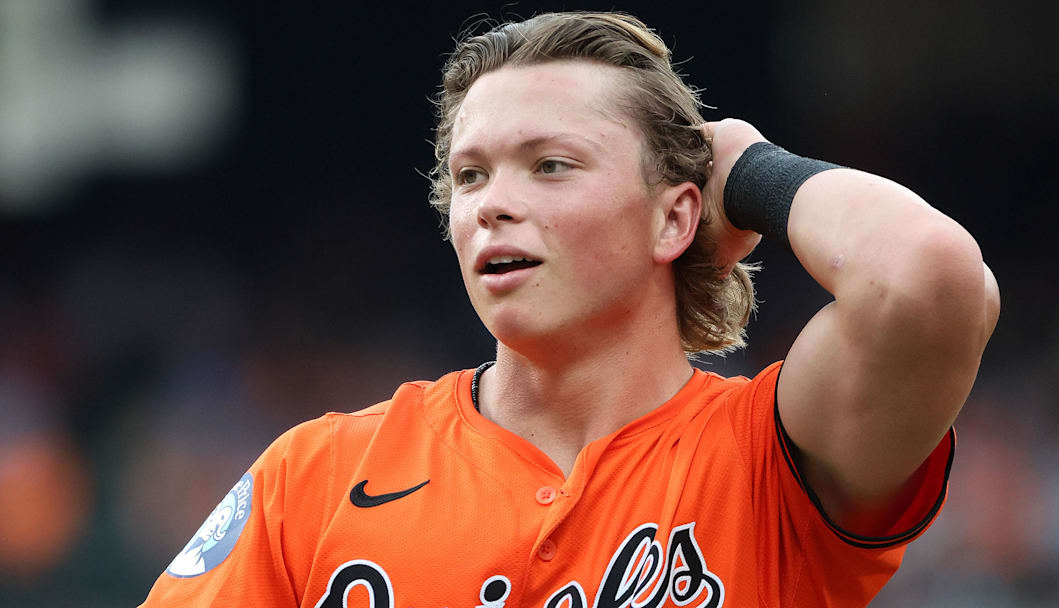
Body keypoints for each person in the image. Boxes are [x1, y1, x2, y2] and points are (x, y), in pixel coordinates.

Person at [140, 11, 999, 607]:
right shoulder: (316, 474)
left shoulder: (771, 457)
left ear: (674, 216)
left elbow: (930, 280)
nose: (491, 204)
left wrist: (747, 166)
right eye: (471, 175)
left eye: (550, 165)